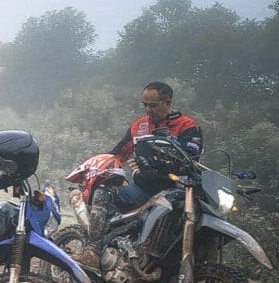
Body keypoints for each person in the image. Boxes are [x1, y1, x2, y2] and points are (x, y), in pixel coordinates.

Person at [73, 81, 203, 269]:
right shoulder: (139, 126)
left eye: (153, 105)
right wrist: (103, 169)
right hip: (142, 189)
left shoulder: (187, 126)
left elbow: (192, 157)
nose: (148, 110)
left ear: (168, 102)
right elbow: (118, 153)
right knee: (103, 191)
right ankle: (93, 250)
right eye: (144, 105)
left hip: (177, 191)